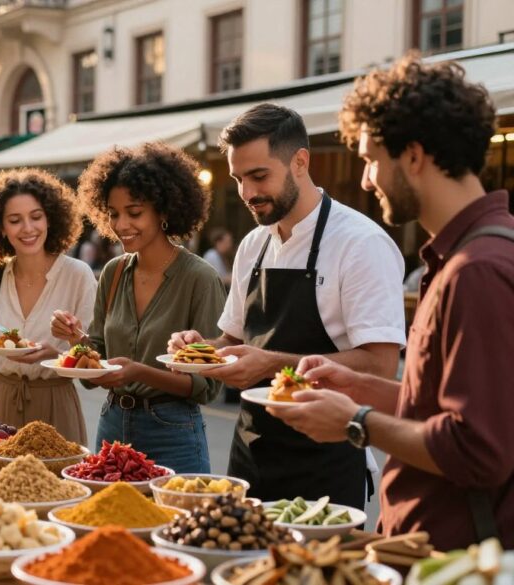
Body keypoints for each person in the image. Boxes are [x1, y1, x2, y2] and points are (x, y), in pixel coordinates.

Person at [268, 55, 514, 548]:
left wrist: (355, 423)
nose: (365, 180)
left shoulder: (477, 270)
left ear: (415, 155)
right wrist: (363, 388)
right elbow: (452, 411)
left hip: (449, 559)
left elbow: (478, 449)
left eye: (369, 159)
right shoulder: (471, 254)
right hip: (423, 547)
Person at [166, 103, 406, 509]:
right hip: (250, 452)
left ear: (300, 161)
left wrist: (270, 363)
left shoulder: (360, 243)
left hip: (325, 458)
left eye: (259, 176)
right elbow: (232, 338)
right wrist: (200, 350)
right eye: (239, 179)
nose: (247, 193)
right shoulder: (253, 244)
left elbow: (380, 366)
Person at [51, 143, 225, 472]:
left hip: (173, 430)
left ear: (163, 210)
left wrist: (139, 371)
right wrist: (76, 340)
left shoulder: (200, 278)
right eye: (114, 213)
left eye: (134, 212)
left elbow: (206, 387)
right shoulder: (113, 272)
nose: (121, 224)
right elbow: (95, 370)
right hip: (113, 424)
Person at [0, 169, 96, 443]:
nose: (28, 228)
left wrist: (62, 348)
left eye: (36, 217)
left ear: (50, 219)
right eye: (14, 220)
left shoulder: (78, 275)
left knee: (56, 484)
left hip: (55, 400)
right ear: (1, 227)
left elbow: (93, 360)